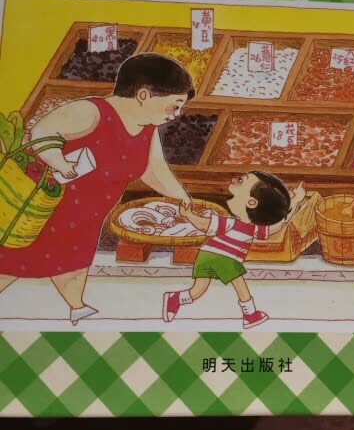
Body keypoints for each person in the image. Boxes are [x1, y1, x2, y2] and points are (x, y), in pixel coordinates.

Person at [0, 53, 195, 325]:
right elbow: (43, 131)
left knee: (74, 261)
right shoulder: (91, 112)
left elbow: (154, 170)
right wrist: (57, 160)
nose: (176, 115)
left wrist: (181, 197)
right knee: (13, 261)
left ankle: (76, 307)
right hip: (46, 209)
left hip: (87, 217)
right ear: (143, 95)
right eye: (174, 106)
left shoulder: (147, 129)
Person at [162, 172, 306, 329]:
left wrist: (295, 201)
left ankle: (175, 298)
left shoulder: (245, 227)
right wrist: (189, 215)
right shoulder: (232, 223)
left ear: (252, 202)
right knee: (240, 286)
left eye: (241, 180)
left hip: (207, 255)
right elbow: (204, 224)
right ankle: (250, 315)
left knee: (198, 290)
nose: (233, 180)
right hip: (223, 257)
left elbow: (278, 224)